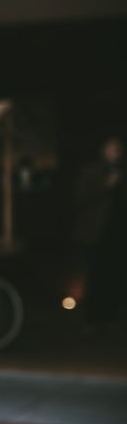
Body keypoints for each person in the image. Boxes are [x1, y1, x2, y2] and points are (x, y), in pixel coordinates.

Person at [75, 136, 127, 327]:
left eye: (119, 150)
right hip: (95, 232)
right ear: (104, 151)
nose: (117, 154)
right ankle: (92, 318)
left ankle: (110, 316)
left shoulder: (122, 172)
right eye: (113, 149)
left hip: (116, 233)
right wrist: (106, 185)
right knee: (94, 275)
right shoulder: (92, 171)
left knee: (114, 275)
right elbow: (81, 198)